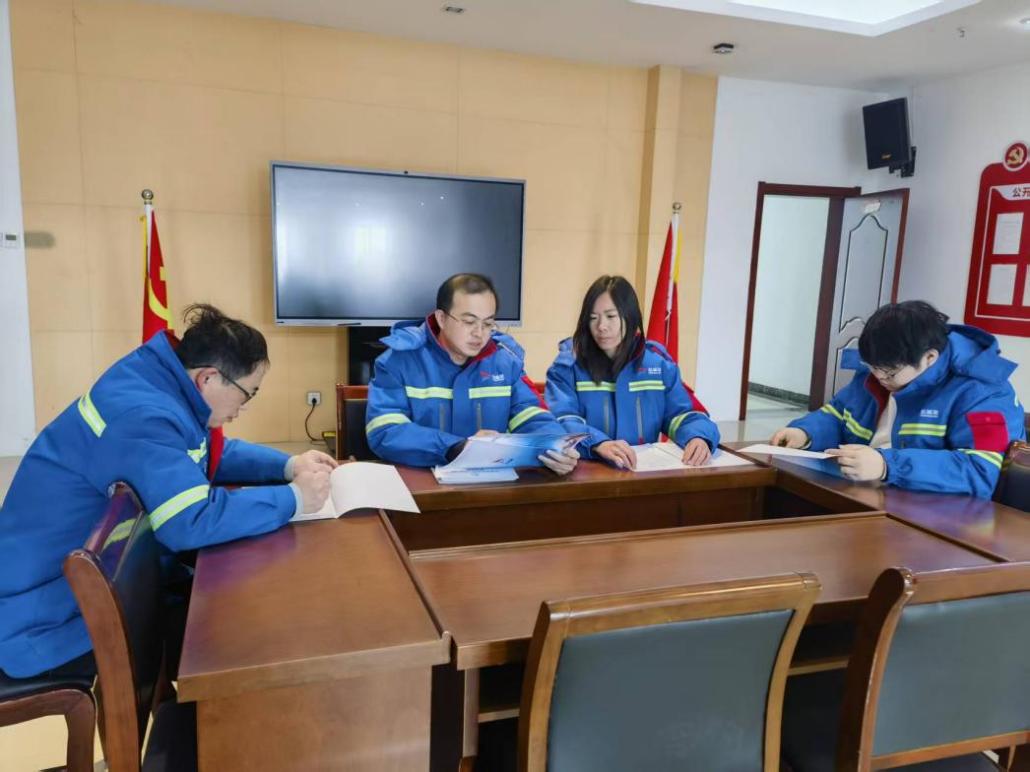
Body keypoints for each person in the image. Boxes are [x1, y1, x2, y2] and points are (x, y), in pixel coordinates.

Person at [0, 304, 337, 678]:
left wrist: (288, 465)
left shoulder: (160, 381)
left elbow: (202, 454)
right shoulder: (143, 414)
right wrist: (294, 499)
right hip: (41, 617)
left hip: (83, 583)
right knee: (237, 633)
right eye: (248, 394)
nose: (243, 408)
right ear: (208, 378)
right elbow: (189, 521)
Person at [770, 300, 1024, 497]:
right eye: (872, 368)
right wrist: (806, 433)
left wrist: (887, 466)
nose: (879, 377)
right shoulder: (880, 365)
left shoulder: (985, 392)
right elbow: (839, 413)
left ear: (929, 358)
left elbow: (981, 470)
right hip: (863, 492)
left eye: (890, 373)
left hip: (937, 514)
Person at [365, 273, 579, 473]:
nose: (479, 333)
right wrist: (455, 447)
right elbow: (385, 430)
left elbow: (531, 415)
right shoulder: (397, 362)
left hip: (491, 485)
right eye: (469, 322)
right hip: (421, 485)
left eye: (488, 323)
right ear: (441, 318)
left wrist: (557, 446)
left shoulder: (505, 362)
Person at [545, 275, 719, 470]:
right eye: (593, 318)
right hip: (588, 472)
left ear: (630, 316)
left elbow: (683, 414)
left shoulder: (658, 365)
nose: (601, 326)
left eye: (611, 316)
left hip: (643, 473)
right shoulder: (568, 367)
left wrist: (698, 437)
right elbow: (561, 421)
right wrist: (598, 443)